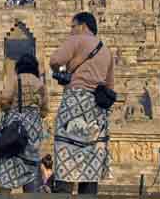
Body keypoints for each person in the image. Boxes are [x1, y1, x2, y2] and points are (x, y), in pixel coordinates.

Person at [49, 12, 114, 195]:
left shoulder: (77, 40)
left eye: (73, 26)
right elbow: (110, 86)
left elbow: (55, 60)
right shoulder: (106, 50)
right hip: (97, 109)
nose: (71, 30)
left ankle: (63, 192)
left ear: (83, 26)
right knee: (91, 158)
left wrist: (62, 70)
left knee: (66, 151)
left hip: (75, 102)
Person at [0, 54, 49, 193]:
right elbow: (44, 110)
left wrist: (9, 108)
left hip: (15, 126)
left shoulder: (14, 80)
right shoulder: (40, 83)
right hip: (33, 127)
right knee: (31, 164)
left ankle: (5, 193)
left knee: (8, 160)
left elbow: (4, 100)